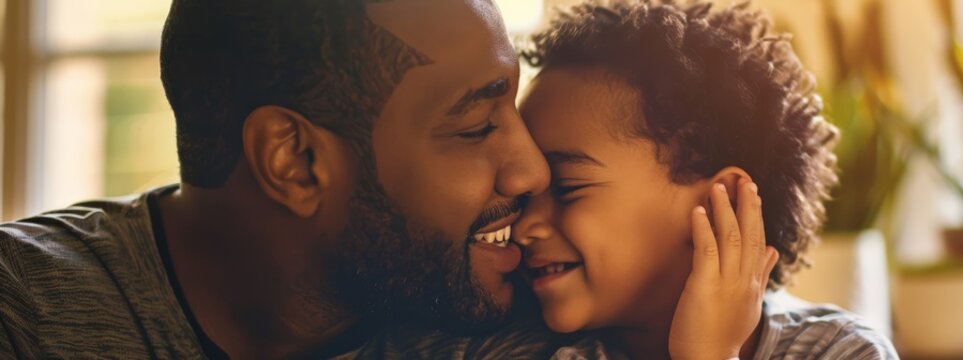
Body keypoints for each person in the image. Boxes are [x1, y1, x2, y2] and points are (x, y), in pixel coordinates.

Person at [0, 0, 561, 358]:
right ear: (293, 161)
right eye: (476, 126)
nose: (534, 171)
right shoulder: (25, 316)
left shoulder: (497, 319)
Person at [513, 1, 900, 359]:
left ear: (722, 205)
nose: (524, 227)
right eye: (523, 197)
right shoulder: (516, 349)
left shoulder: (840, 352)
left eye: (567, 188)